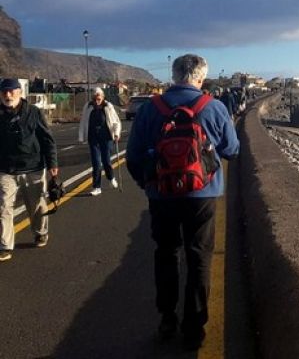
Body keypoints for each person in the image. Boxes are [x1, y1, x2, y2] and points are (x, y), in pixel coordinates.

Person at [126, 54, 239, 349]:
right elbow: (232, 150)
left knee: (166, 253)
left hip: (162, 195)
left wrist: (148, 184)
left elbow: (134, 156)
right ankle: (194, 327)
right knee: (199, 257)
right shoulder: (213, 107)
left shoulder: (152, 108)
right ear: (200, 77)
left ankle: (167, 319)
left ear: (174, 76)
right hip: (202, 195)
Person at [0, 78, 58, 261]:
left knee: (35, 206)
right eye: (4, 92)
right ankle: (4, 245)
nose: (8, 95)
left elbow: (47, 140)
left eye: (11, 91)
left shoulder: (34, 113)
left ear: (20, 92)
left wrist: (53, 166)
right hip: (5, 169)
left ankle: (40, 231)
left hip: (32, 167)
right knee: (3, 207)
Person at [79, 87, 122, 196]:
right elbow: (83, 121)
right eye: (95, 98)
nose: (97, 100)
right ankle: (97, 187)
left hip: (106, 138)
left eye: (99, 97)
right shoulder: (88, 107)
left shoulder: (108, 106)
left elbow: (116, 121)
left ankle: (111, 177)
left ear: (102, 97)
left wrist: (116, 133)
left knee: (106, 161)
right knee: (96, 163)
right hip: (93, 139)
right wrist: (82, 136)